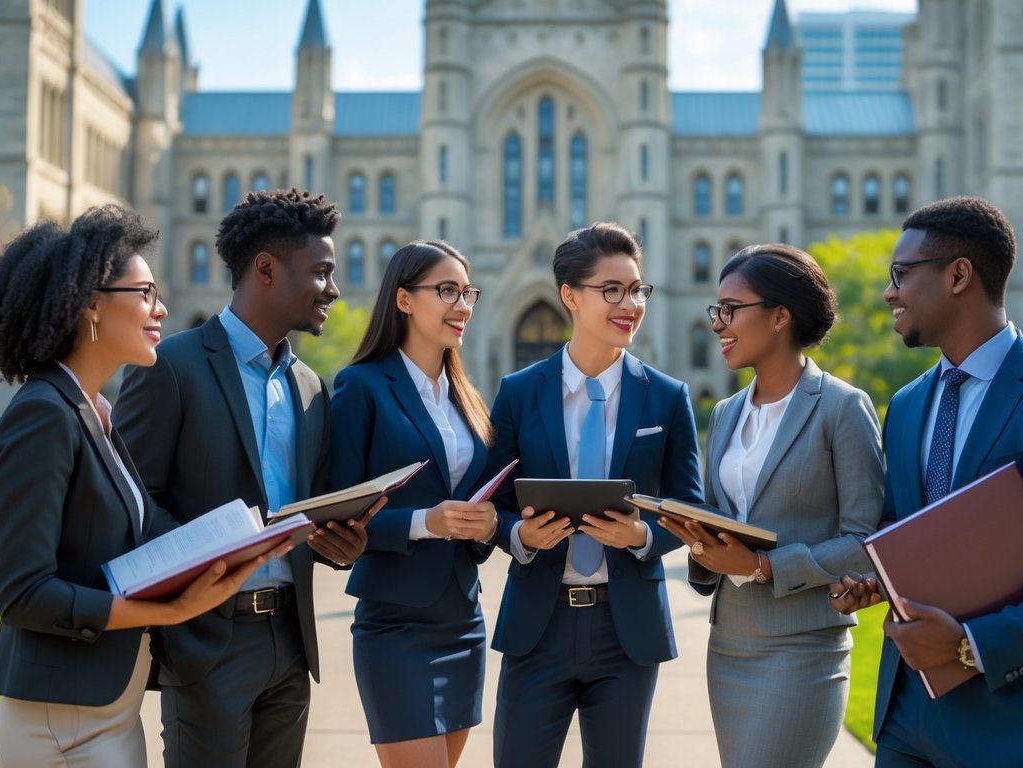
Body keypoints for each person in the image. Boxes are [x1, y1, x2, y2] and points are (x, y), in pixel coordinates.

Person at [830, 196, 1023, 767]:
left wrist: (970, 647)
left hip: (1017, 724)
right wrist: (874, 579)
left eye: (901, 275)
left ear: (958, 275)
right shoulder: (904, 406)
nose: (889, 292)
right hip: (906, 717)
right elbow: (909, 528)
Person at [0, 206, 278, 767]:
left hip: (109, 710)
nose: (161, 308)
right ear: (90, 302)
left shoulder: (94, 412)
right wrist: (169, 611)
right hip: (61, 723)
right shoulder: (43, 415)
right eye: (145, 291)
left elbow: (146, 531)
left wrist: (247, 539)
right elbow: (23, 595)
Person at [114, 188, 372, 768]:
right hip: (207, 640)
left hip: (290, 641)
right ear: (265, 269)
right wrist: (219, 553)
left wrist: (341, 543)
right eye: (322, 272)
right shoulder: (170, 368)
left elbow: (308, 510)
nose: (334, 288)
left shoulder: (311, 388)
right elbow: (130, 503)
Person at [485, 222, 705, 768]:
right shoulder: (518, 393)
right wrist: (518, 535)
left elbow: (689, 505)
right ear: (570, 296)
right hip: (538, 626)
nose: (630, 303)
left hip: (626, 632)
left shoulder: (668, 397)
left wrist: (642, 537)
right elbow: (489, 502)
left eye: (637, 290)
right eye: (612, 290)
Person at [658, 244, 883, 768]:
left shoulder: (843, 409)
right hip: (729, 643)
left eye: (731, 309)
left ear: (780, 316)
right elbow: (723, 522)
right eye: (717, 310)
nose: (718, 323)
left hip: (803, 647)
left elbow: (866, 545)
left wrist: (761, 567)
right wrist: (698, 544)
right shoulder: (728, 412)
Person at [329, 240, 498, 767]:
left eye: (468, 292)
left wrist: (489, 523)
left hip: (463, 618)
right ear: (403, 300)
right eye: (447, 291)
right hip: (395, 624)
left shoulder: (467, 396)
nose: (464, 305)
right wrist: (425, 522)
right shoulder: (361, 386)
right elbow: (337, 514)